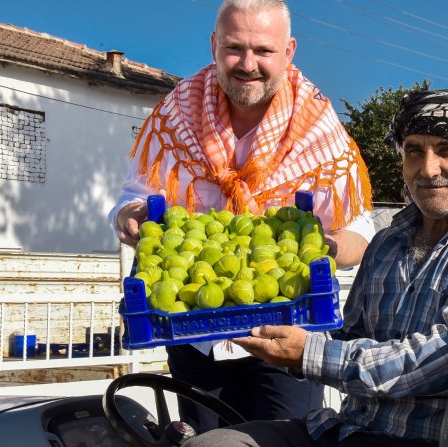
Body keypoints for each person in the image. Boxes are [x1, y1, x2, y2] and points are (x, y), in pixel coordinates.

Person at [185, 89, 448, 446]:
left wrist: (310, 354)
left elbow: (447, 359)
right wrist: (278, 332)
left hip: (434, 440)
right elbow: (349, 338)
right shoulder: (385, 243)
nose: (427, 168)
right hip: (349, 430)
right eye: (414, 151)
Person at [107, 0, 375, 434]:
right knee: (204, 441)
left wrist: (326, 248)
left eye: (263, 51)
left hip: (286, 334)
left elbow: (360, 229)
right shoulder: (176, 115)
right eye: (234, 48)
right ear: (214, 46)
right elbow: (132, 196)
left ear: (288, 52)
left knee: (287, 438)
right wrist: (129, 216)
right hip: (193, 332)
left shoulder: (318, 130)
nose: (248, 64)